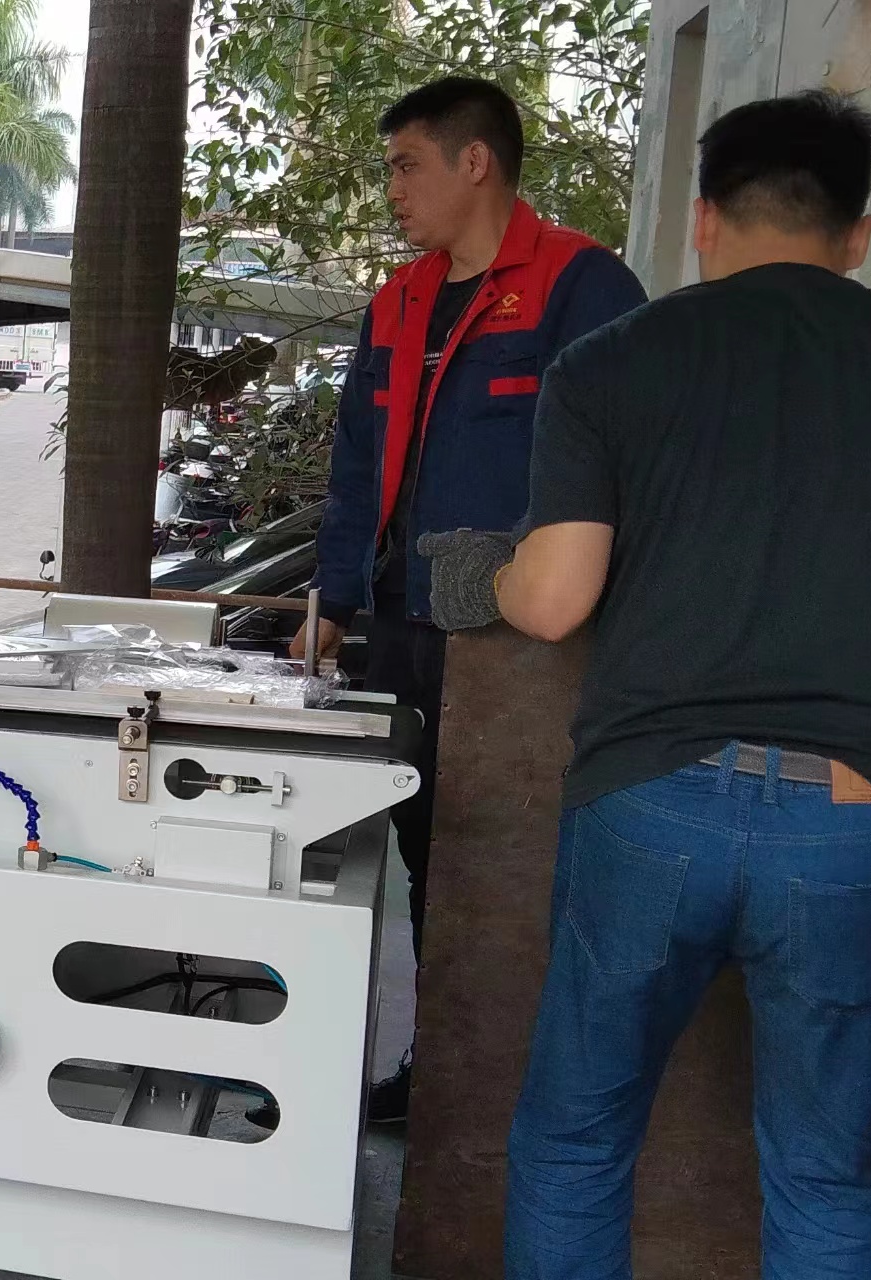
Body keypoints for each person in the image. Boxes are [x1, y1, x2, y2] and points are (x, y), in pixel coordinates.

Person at [420, 90, 871, 1277]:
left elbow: (550, 599)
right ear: (857, 236)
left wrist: (479, 571)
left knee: (574, 1144)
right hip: (864, 819)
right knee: (826, 1178)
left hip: (651, 801)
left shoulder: (612, 362)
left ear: (703, 219)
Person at [296, 75, 647, 1123]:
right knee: (426, 843)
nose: (394, 189)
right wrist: (332, 602)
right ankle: (443, 1066)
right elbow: (356, 465)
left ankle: (529, 1083)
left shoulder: (581, 286)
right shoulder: (399, 300)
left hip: (526, 637)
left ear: (475, 161)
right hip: (406, 624)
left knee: (519, 852)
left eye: (407, 165)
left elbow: (629, 463)